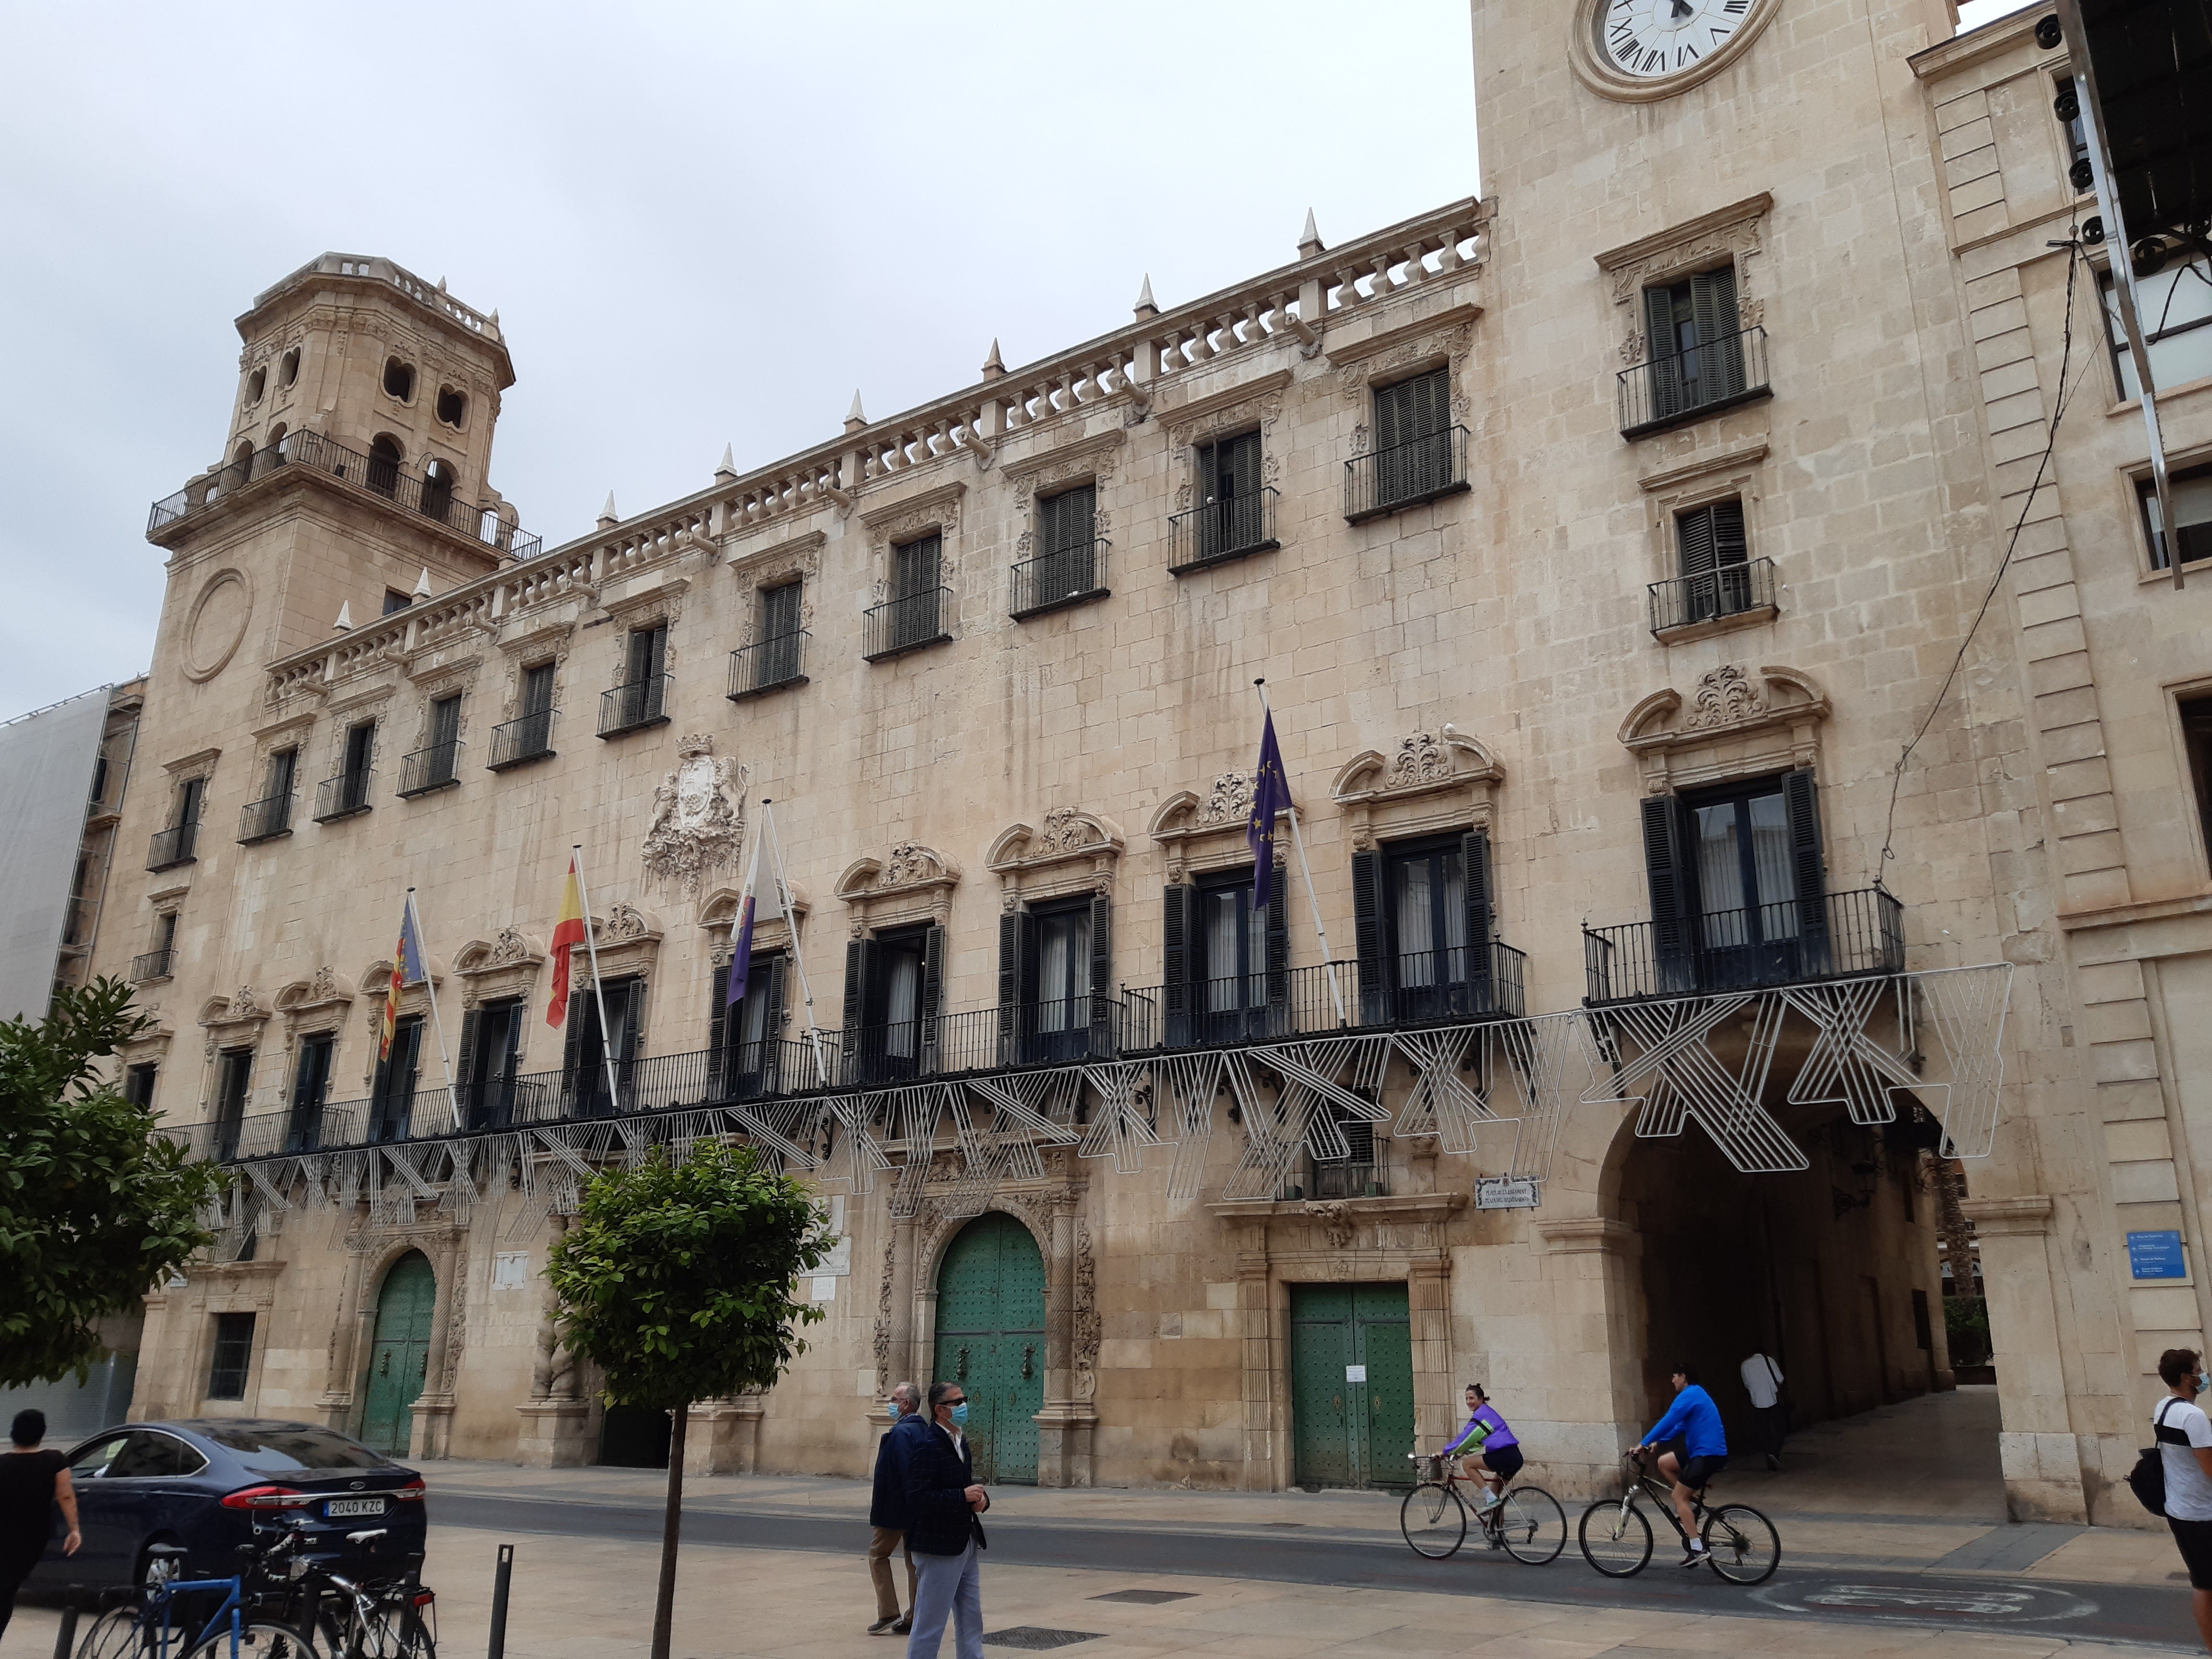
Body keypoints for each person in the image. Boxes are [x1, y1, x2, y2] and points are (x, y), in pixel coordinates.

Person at [903, 1380, 988, 1659]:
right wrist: (961, 1497)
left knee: (971, 1616)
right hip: (938, 1545)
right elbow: (917, 1497)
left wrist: (981, 1501)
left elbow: (964, 1486)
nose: (964, 1406)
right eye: (958, 1402)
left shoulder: (960, 1440)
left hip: (966, 1540)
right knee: (931, 1620)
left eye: (964, 1400)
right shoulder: (927, 1445)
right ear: (940, 1409)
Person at [1634, 1364, 1728, 1568]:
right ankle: (1689, 1503)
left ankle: (1698, 1548)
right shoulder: (1696, 1394)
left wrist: (1642, 1444)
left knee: (1677, 1497)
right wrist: (1658, 1442)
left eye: (1674, 1376)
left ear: (1683, 1377)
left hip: (1707, 1455)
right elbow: (1680, 1426)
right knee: (1664, 1462)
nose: (1672, 1380)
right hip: (1701, 1453)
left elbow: (1669, 1420)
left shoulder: (1689, 1395)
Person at [0, 1409, 79, 1641]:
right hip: (31, 1538)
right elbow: (66, 1495)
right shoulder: (54, 1461)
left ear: (14, 1433)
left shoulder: (2, 1464)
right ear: (42, 1434)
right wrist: (74, 1529)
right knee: (7, 1590)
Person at [2154, 1347, 2212, 1652]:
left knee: (2203, 1582)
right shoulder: (2193, 1416)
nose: (2204, 1375)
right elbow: (2209, 1468)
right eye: (2199, 1370)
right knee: (2205, 1586)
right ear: (2186, 1378)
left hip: (2180, 1509)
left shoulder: (2164, 1408)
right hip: (2202, 1513)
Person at [867, 1382, 926, 1636]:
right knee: (914, 1563)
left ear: (906, 1405)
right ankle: (915, 1616)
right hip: (916, 1509)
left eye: (894, 1400)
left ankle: (888, 1611)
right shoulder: (924, 1429)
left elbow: (905, 1471)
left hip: (896, 1508)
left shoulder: (902, 1433)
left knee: (877, 1555)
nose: (890, 1404)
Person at [1439, 1383, 1522, 1513]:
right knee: (1495, 1497)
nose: (1469, 1402)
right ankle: (1497, 1524)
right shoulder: (1488, 1412)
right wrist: (1463, 1452)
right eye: (1467, 1399)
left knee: (1467, 1464)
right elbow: (1478, 1440)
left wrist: (1445, 1452)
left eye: (1472, 1398)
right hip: (1514, 1456)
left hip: (1503, 1455)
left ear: (1481, 1399)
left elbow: (1466, 1437)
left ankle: (1490, 1498)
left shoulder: (1481, 1414)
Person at [1739, 1349, 1786, 1470]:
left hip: (1757, 1403)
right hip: (1773, 1400)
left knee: (1764, 1432)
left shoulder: (1745, 1365)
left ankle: (1770, 1458)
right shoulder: (1769, 1360)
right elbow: (1780, 1379)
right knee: (1780, 1429)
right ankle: (1774, 1452)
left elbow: (1746, 1384)